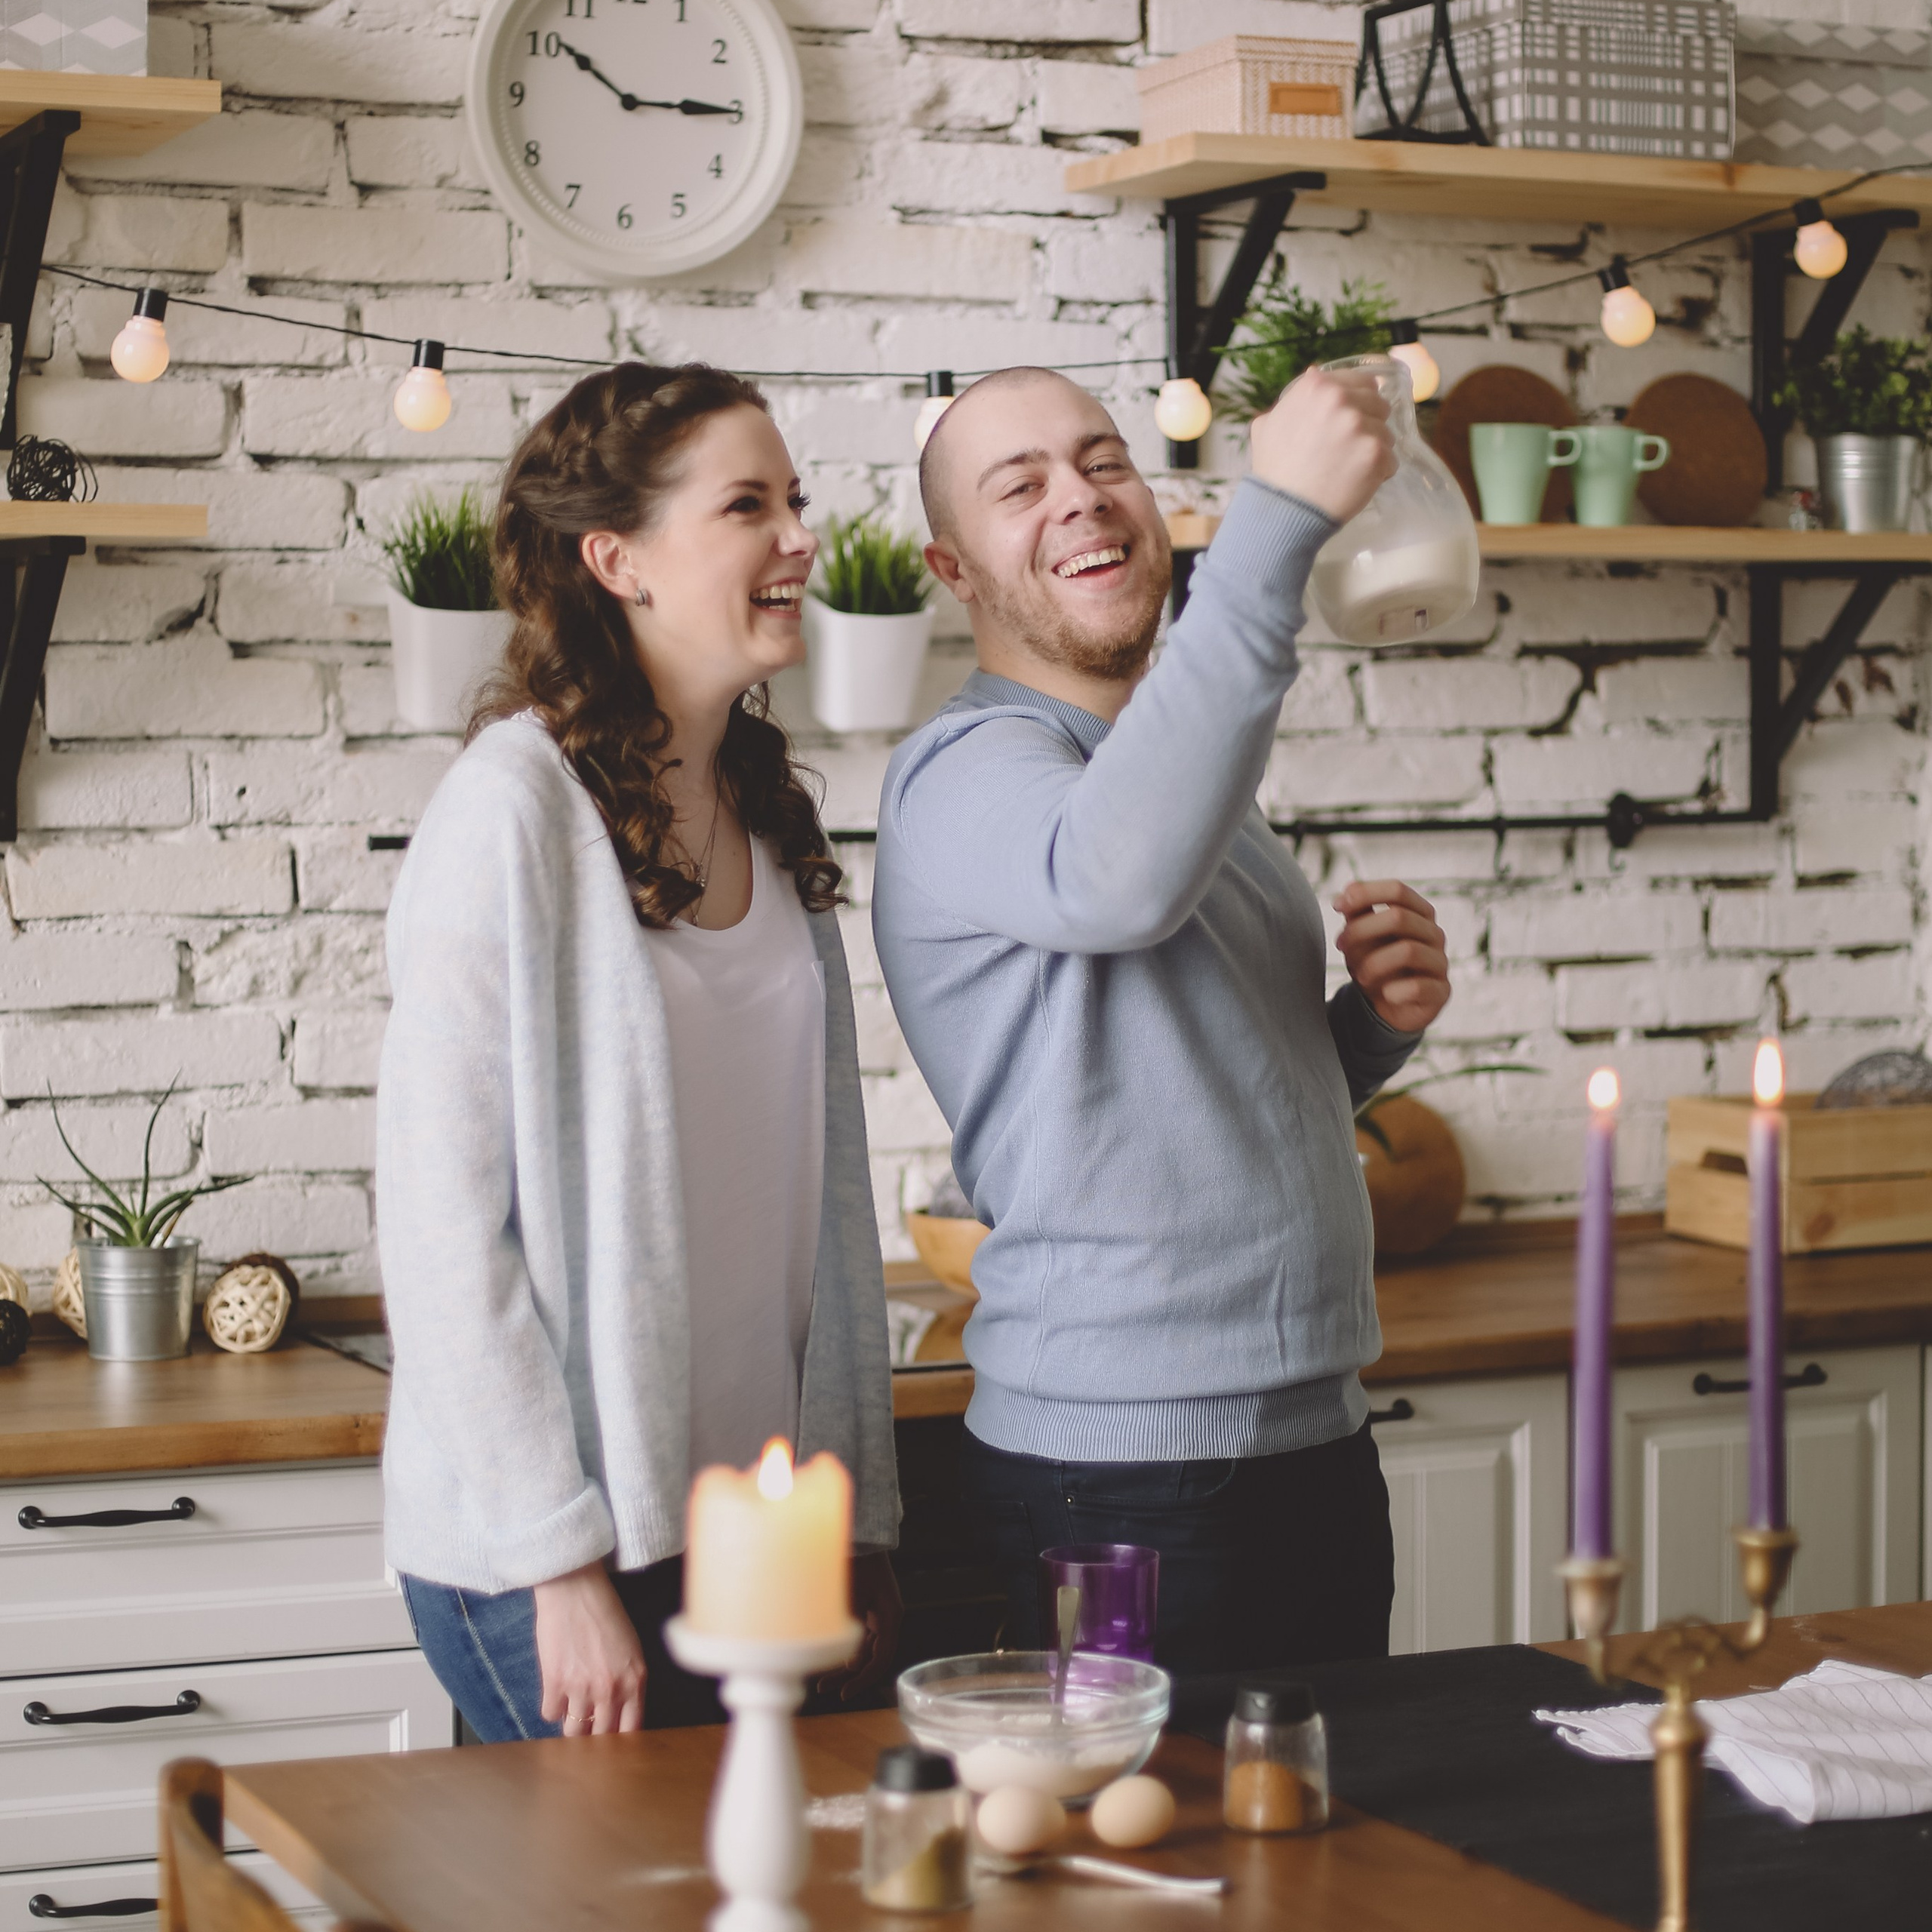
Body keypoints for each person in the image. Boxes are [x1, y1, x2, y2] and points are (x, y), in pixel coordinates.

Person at [872, 363, 1453, 1674]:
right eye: (1020, 487)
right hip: (1121, 1476)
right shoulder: (962, 772)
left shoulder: (1178, 780)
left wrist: (1370, 1026)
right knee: (1148, 1817)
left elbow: (1204, 1094)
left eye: (1104, 463)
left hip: (1312, 1437)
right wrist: (1277, 520)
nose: (1081, 498)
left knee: (1332, 1811)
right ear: (956, 573)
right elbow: (1112, 885)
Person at [377, 362, 900, 1741]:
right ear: (618, 561)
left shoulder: (763, 810)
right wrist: (559, 1563)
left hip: (743, 1528)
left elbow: (822, 1195)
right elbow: (439, 1231)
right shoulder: (510, 814)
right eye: (747, 506)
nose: (800, 538)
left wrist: (847, 1516)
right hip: (551, 1551)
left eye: (795, 501)